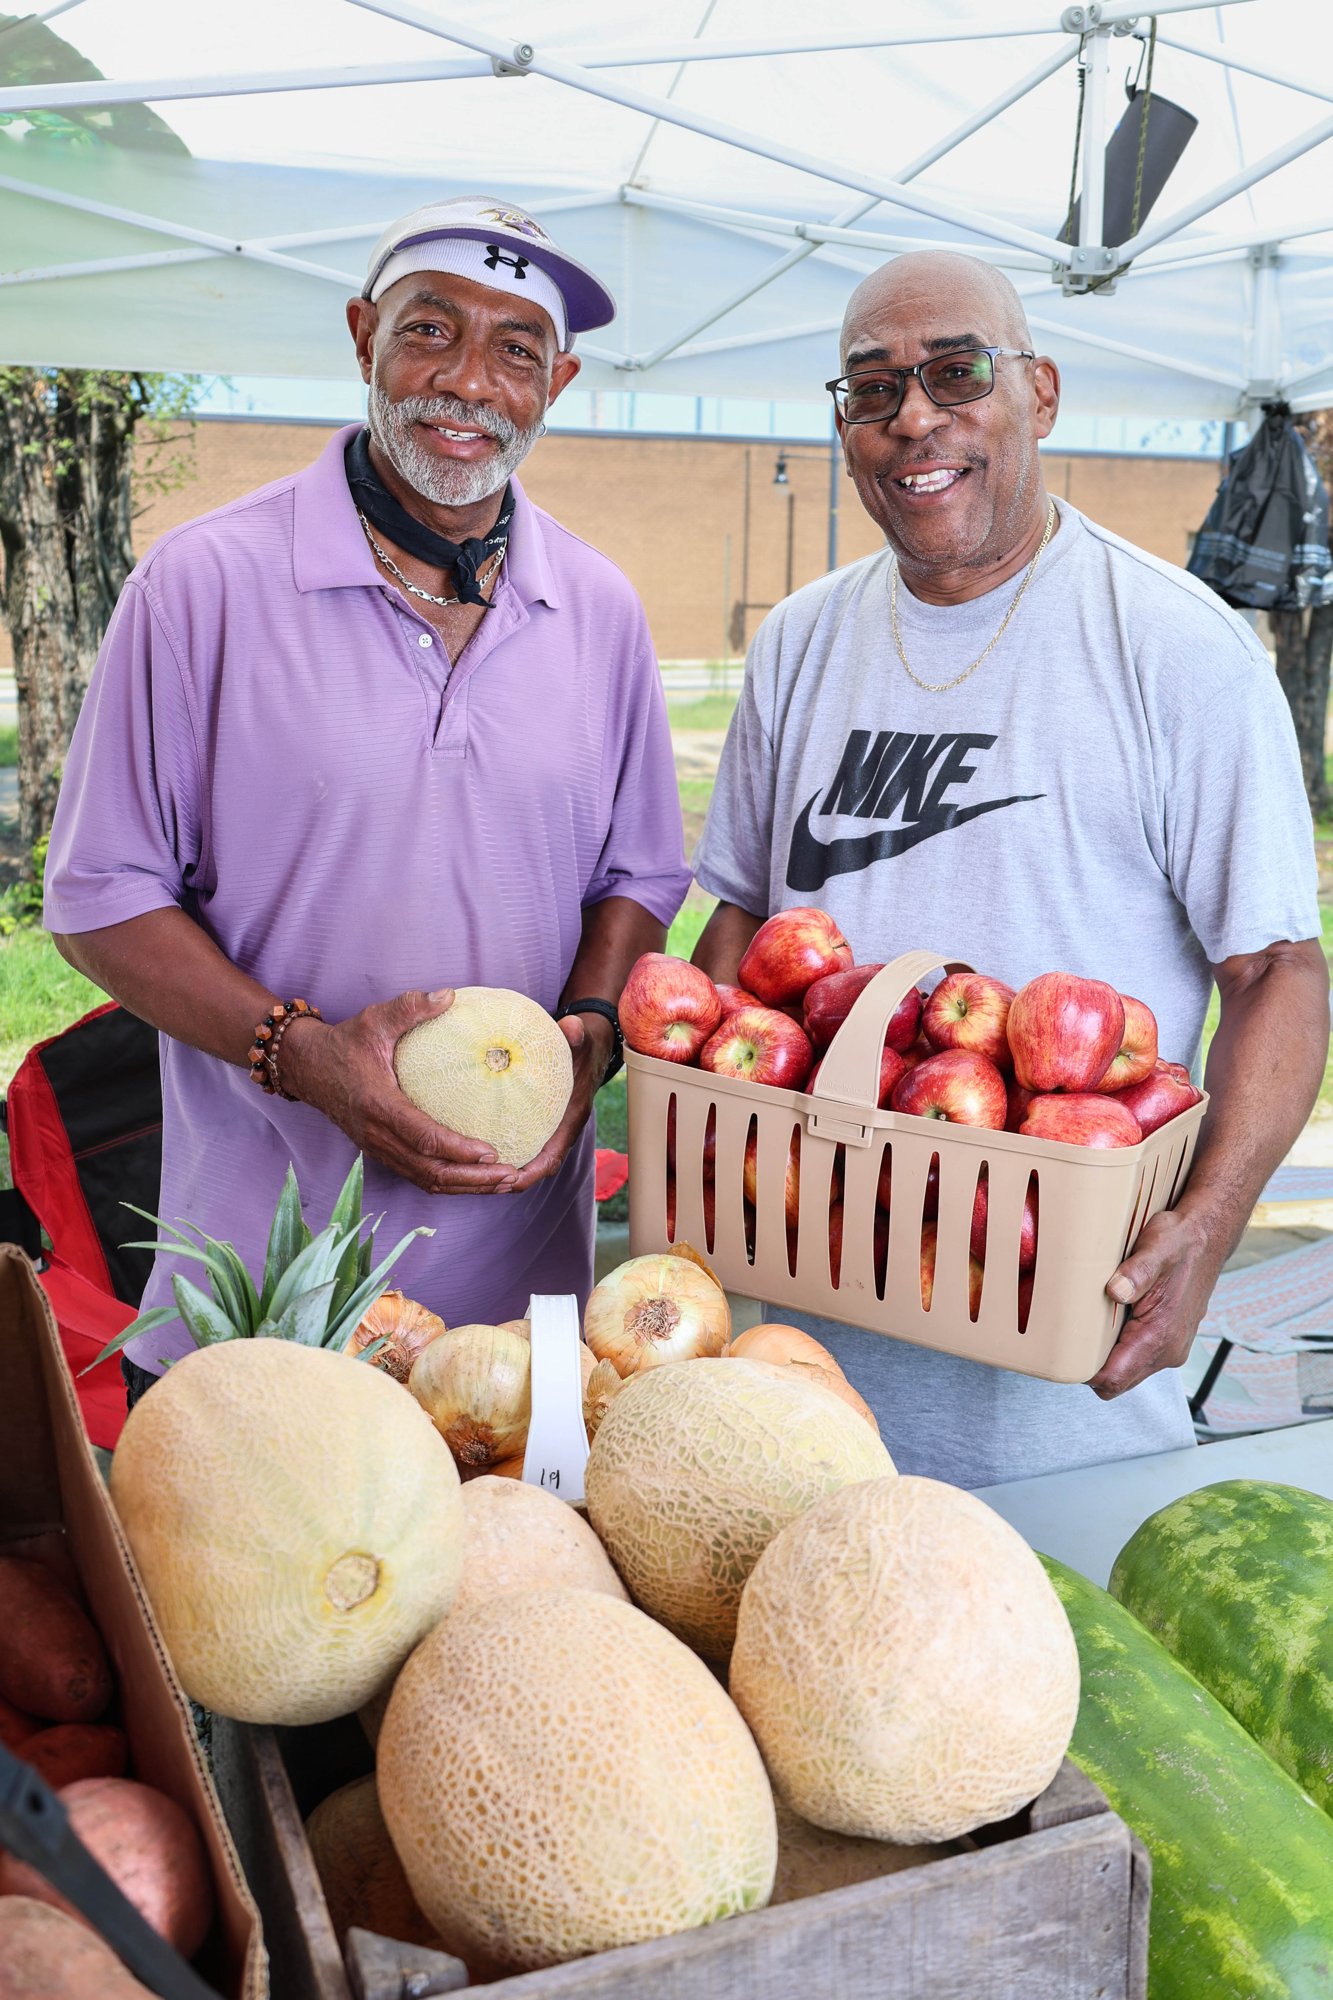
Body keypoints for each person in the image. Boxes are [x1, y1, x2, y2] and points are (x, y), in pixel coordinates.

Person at [692, 249, 1329, 1488]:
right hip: (791, 1378)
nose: (913, 417)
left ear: (1039, 392)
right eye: (872, 389)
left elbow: (1275, 972)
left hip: (1054, 1400)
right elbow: (740, 931)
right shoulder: (802, 642)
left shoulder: (1175, 648)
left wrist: (1206, 1227)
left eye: (955, 372)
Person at [43, 195, 691, 1401]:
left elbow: (640, 874)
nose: (467, 381)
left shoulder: (598, 608)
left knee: (522, 1582)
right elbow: (96, 894)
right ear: (362, 335)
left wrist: (592, 1033)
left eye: (514, 348)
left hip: (519, 1321)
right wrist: (303, 1053)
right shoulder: (202, 584)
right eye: (429, 330)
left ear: (559, 377)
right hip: (266, 1285)